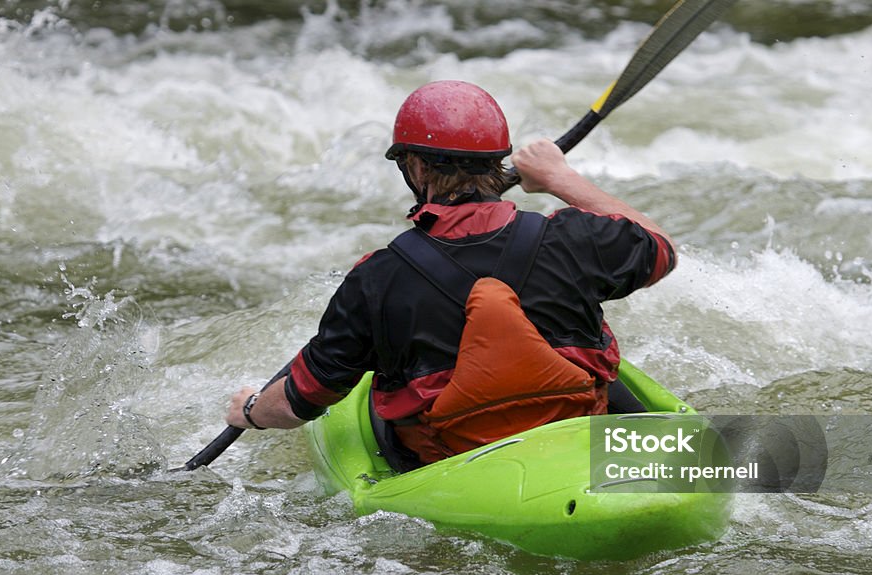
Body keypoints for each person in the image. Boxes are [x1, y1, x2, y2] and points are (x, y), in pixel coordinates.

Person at [226, 80, 677, 469]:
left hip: (454, 461)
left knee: (374, 389)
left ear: (416, 167)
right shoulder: (575, 237)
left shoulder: (376, 278)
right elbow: (662, 249)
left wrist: (249, 410)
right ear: (496, 165)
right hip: (577, 436)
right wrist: (560, 177)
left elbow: (296, 403)